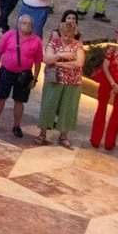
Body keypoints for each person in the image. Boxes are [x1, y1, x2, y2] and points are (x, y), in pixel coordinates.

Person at [36, 13, 85, 148]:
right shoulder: (54, 43)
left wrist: (59, 64)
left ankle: (63, 136)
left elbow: (79, 63)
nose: (67, 38)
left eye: (70, 36)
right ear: (61, 33)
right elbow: (46, 59)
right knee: (48, 105)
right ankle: (42, 133)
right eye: (65, 35)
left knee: (68, 108)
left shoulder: (78, 46)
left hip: (72, 83)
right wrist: (60, 55)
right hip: (54, 80)